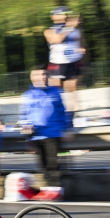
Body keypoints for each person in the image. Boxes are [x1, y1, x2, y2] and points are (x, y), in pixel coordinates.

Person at [19, 65, 68, 197]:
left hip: (52, 133)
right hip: (36, 135)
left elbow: (62, 112)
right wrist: (26, 128)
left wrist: (66, 128)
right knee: (42, 165)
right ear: (32, 77)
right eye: (39, 75)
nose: (42, 77)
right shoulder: (28, 95)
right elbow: (24, 114)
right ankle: (49, 191)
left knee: (53, 164)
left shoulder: (55, 92)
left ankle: (56, 191)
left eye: (44, 74)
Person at [44, 6, 86, 113]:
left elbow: (75, 43)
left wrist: (79, 50)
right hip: (56, 62)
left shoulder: (74, 30)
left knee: (71, 88)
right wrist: (68, 27)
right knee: (55, 89)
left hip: (70, 62)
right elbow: (57, 39)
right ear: (53, 17)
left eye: (65, 13)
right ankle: (56, 110)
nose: (64, 16)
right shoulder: (50, 30)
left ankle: (74, 112)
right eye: (60, 14)